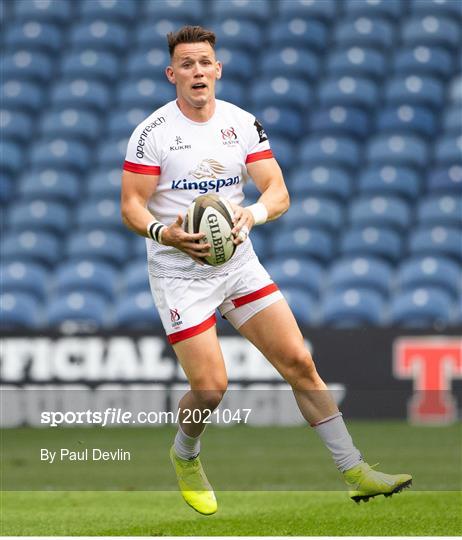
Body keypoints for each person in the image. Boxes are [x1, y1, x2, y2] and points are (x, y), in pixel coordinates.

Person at [121, 25, 412, 515]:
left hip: (236, 262)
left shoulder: (241, 123)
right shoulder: (153, 133)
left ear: (218, 69)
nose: (197, 71)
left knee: (299, 360)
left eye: (205, 62)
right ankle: (185, 453)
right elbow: (131, 206)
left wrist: (251, 214)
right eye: (187, 64)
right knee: (212, 387)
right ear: (173, 74)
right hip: (180, 273)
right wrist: (164, 234)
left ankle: (356, 471)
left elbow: (277, 190)